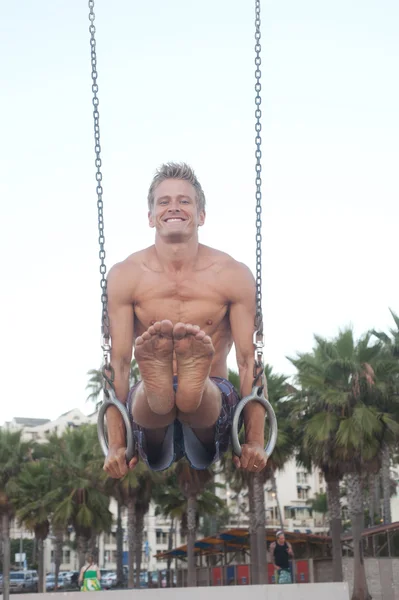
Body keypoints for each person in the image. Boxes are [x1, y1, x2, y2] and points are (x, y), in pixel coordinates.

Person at [103, 162, 268, 477]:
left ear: (201, 215)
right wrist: (115, 443)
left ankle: (191, 385)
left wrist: (254, 439)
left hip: (213, 401)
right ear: (151, 216)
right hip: (154, 407)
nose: (173, 207)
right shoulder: (126, 276)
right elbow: (118, 364)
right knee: (152, 404)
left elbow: (250, 363)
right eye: (164, 201)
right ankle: (164, 386)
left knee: (197, 401)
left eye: (184, 201)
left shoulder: (232, 275)